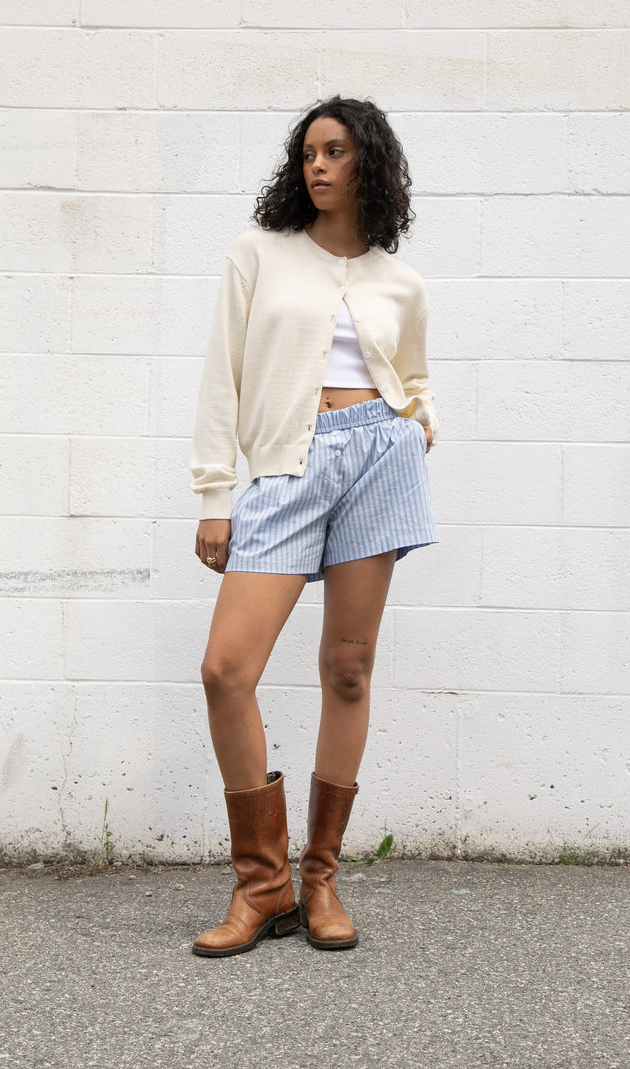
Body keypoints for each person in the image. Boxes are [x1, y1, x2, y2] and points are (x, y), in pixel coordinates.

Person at [189, 96, 439, 957]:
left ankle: (321, 878)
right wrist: (216, 494)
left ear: (369, 161)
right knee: (227, 669)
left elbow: (412, 371)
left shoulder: (399, 280)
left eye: (334, 152)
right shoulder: (258, 255)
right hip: (287, 470)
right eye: (307, 155)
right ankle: (261, 888)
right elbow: (221, 375)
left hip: (379, 460)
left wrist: (418, 418)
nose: (317, 167)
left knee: (349, 667)